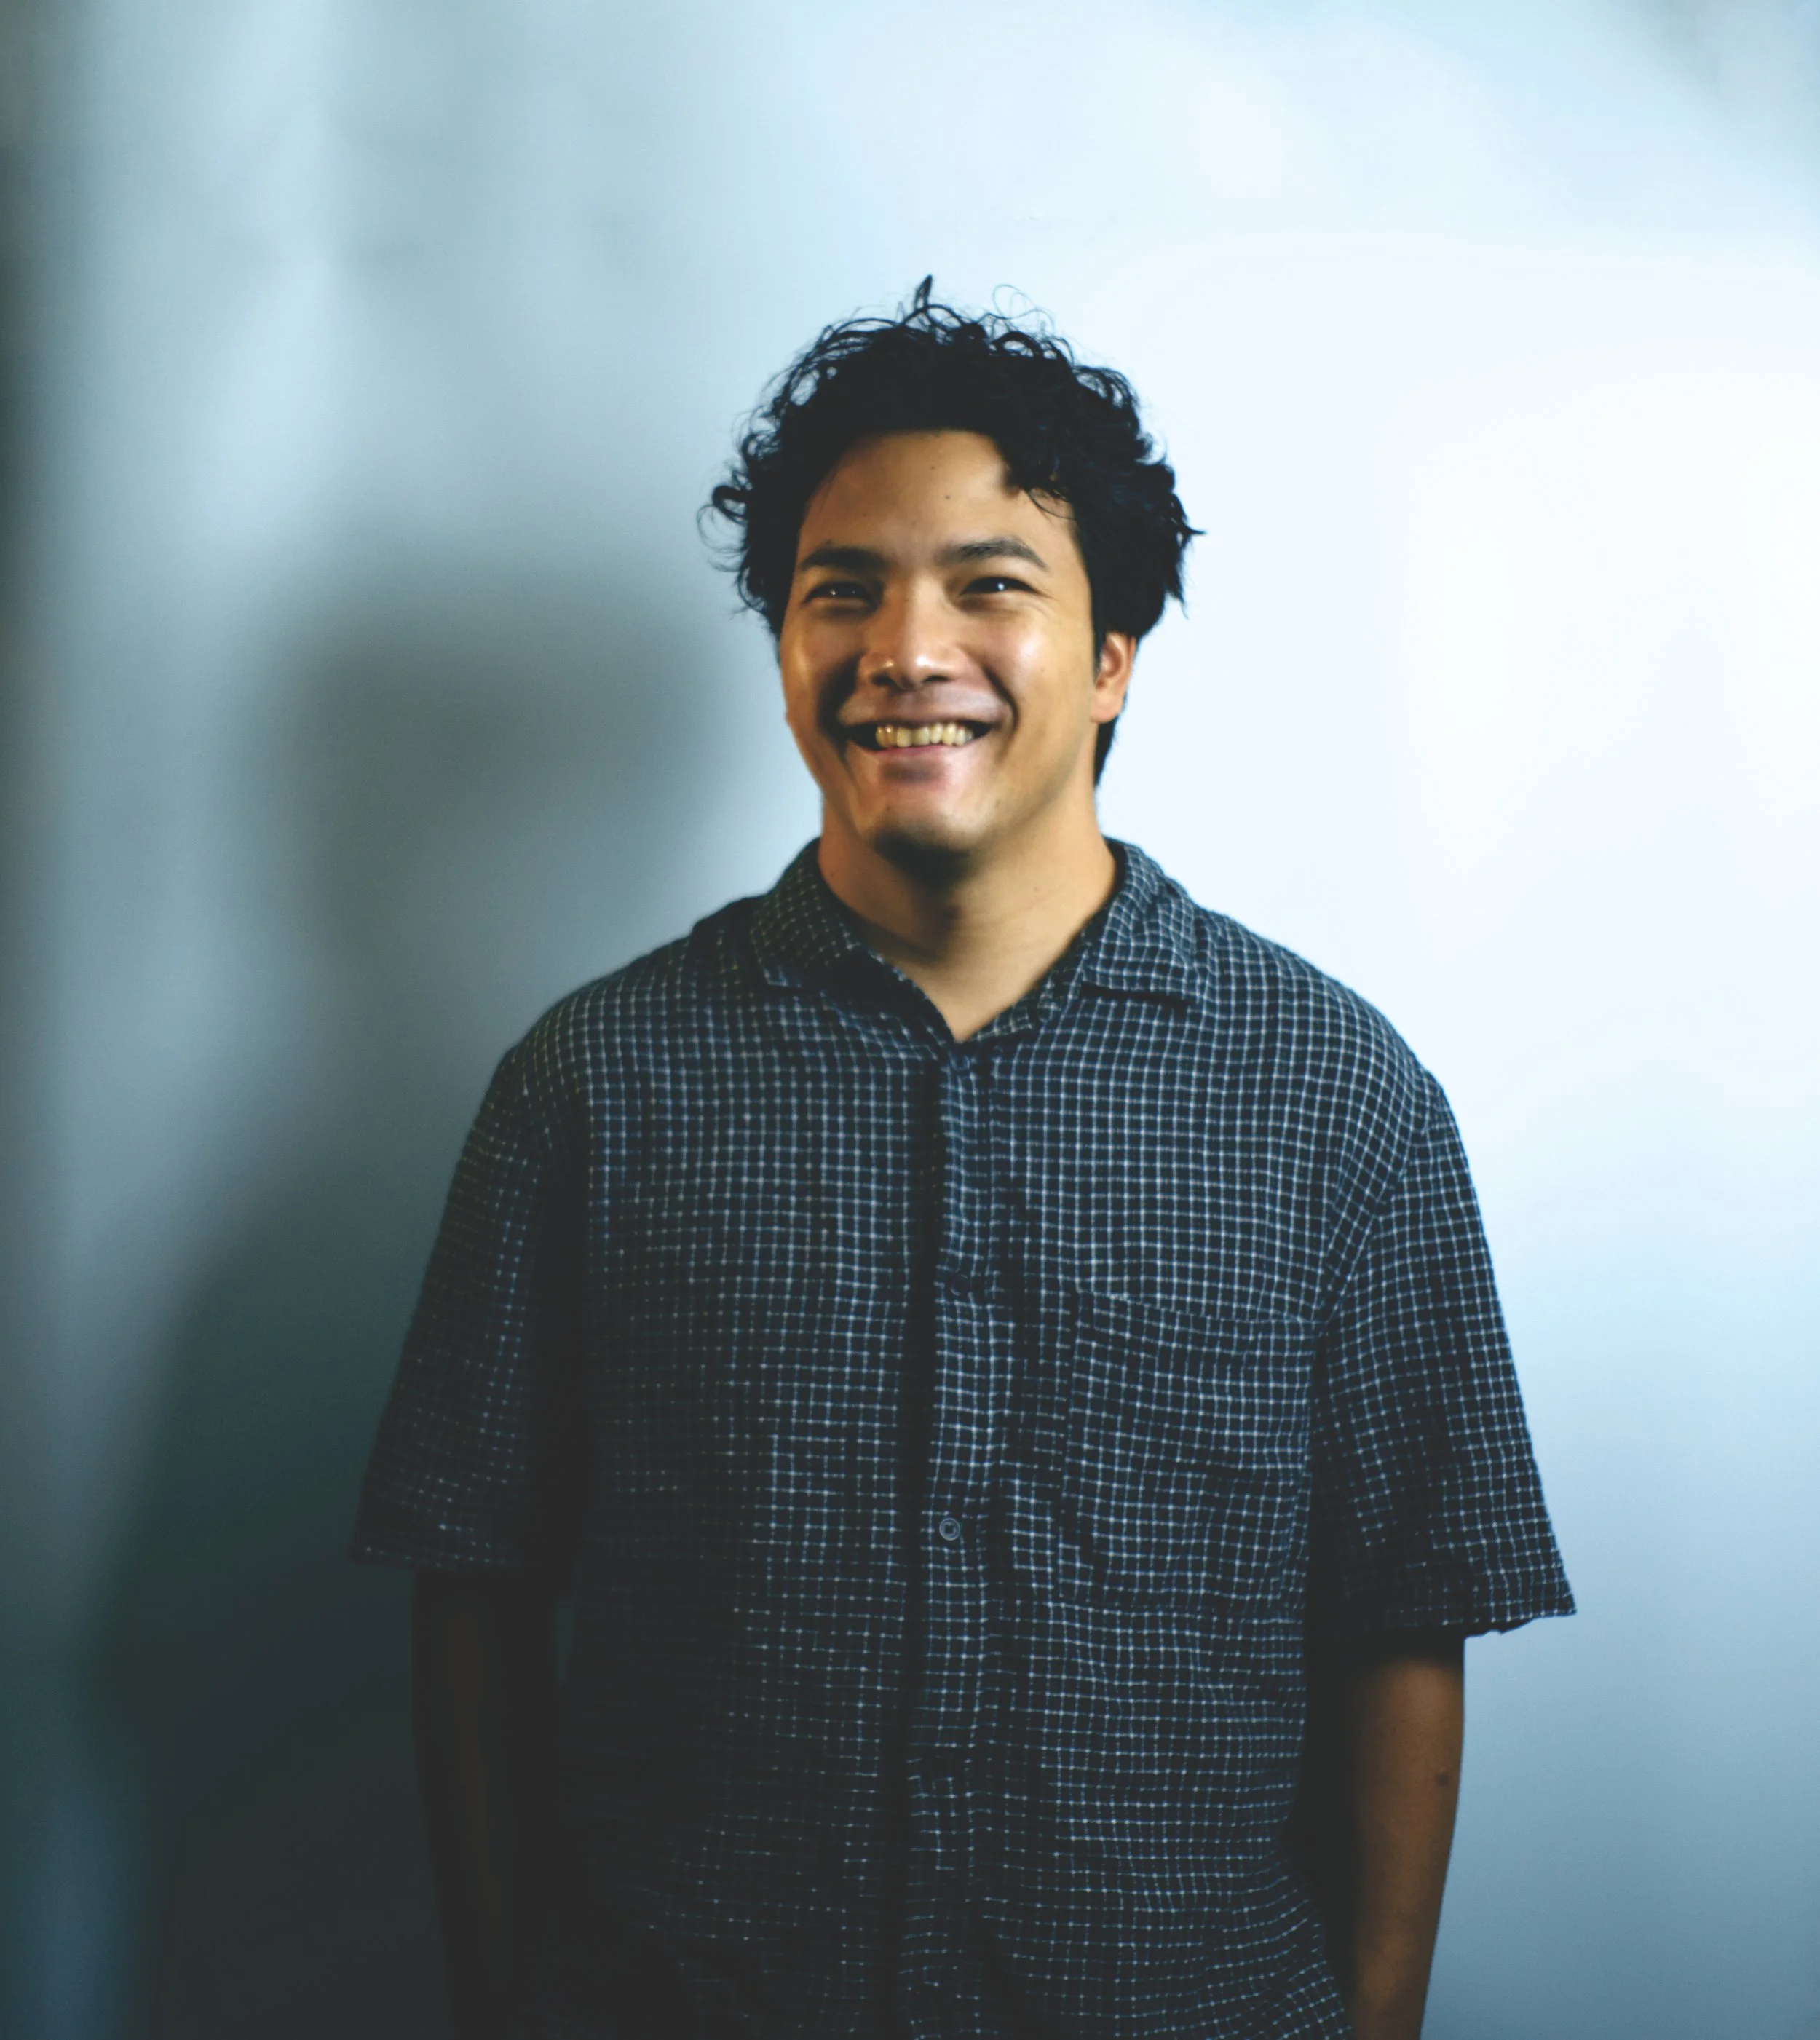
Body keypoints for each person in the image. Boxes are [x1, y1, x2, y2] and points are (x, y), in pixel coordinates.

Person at [352, 281, 1572, 2040]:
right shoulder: (594, 1087)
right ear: (782, 648)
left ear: (1109, 660)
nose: (903, 648)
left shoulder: (1332, 1099)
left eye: (988, 586)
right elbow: (475, 1585)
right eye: (838, 590)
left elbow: (1405, 1616)